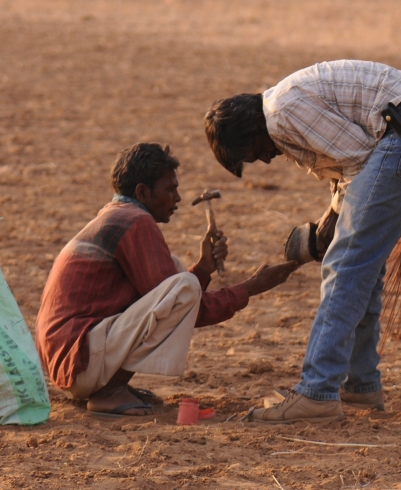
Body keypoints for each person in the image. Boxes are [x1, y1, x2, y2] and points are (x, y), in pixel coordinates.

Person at [204, 59, 401, 423]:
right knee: (364, 265)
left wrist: (335, 218)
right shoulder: (283, 105)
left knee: (345, 265)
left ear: (253, 127)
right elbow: (354, 163)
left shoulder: (280, 113)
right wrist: (330, 217)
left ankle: (318, 391)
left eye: (254, 152)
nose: (265, 159)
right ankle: (360, 384)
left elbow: (358, 159)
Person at [35, 142, 297, 418]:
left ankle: (110, 386)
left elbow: (169, 299)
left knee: (177, 271)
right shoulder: (135, 221)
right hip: (79, 361)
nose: (178, 198)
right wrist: (252, 286)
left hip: (70, 362)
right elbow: (186, 305)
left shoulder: (116, 216)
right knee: (182, 284)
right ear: (142, 192)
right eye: (170, 189)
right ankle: (109, 391)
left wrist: (204, 268)